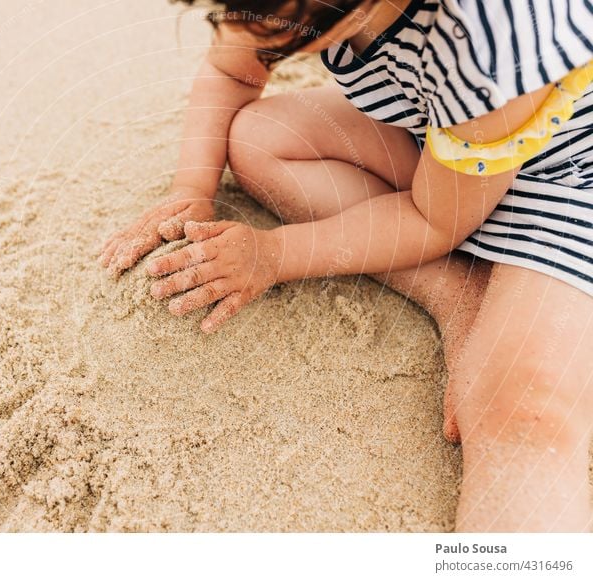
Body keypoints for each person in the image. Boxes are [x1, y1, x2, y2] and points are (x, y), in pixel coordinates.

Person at [98, 0, 593, 532]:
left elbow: (433, 221)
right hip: (447, 153)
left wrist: (274, 254)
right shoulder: (293, 7)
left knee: (520, 411)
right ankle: (458, 292)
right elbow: (232, 68)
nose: (241, 23)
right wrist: (192, 191)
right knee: (259, 139)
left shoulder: (497, 40)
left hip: (571, 182)